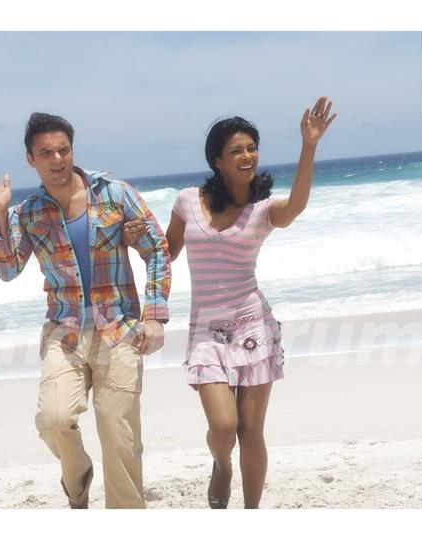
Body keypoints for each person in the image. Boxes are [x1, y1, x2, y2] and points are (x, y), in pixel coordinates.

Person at [123, 97, 336, 508]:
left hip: (254, 327)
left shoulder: (261, 210)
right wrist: (138, 242)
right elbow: (167, 252)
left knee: (251, 430)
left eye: (252, 148)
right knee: (224, 428)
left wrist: (309, 145)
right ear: (217, 160)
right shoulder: (187, 201)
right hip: (207, 332)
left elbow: (296, 205)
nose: (247, 156)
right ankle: (221, 465)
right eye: (236, 150)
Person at [0, 112, 170, 509]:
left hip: (119, 328)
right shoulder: (28, 212)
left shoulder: (115, 194)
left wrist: (154, 316)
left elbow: (157, 249)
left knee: (119, 437)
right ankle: (79, 477)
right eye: (46, 152)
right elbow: (7, 269)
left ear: (73, 150)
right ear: (30, 159)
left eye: (63, 150)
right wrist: (1, 213)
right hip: (64, 332)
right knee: (53, 420)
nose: (57, 159)